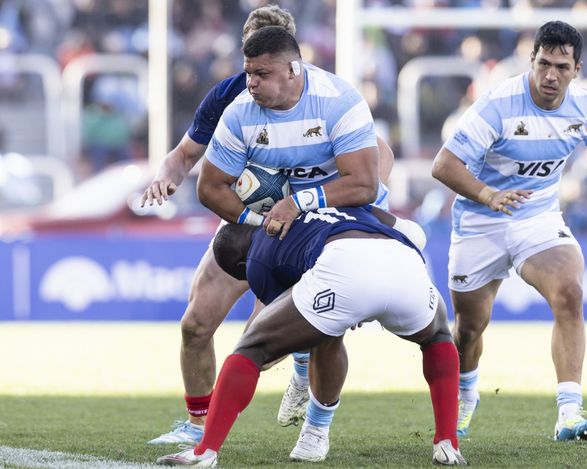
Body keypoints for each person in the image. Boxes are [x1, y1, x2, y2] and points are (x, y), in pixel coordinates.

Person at [142, 6, 399, 444]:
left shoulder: (330, 96)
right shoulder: (232, 97)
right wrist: (171, 178)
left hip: (315, 223)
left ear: (291, 59)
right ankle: (197, 425)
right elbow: (191, 161)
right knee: (195, 323)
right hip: (255, 219)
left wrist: (321, 204)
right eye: (249, 65)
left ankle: (303, 396)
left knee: (259, 340)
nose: (254, 79)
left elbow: (378, 162)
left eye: (264, 67)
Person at [431, 20, 587, 441]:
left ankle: (569, 412)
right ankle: (467, 394)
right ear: (531, 61)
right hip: (480, 222)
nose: (551, 75)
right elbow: (444, 164)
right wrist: (486, 194)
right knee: (469, 329)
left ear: (577, 69)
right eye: (544, 64)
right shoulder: (498, 104)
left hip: (537, 219)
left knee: (569, 291)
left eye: (562, 67)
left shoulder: (585, 108)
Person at [156, 206, 465, 467]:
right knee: (438, 337)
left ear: (241, 263)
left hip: (345, 265)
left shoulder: (257, 256)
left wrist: (347, 307)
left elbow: (277, 342)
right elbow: (415, 233)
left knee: (251, 348)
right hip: (404, 259)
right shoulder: (342, 202)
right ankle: (448, 442)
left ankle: (205, 450)